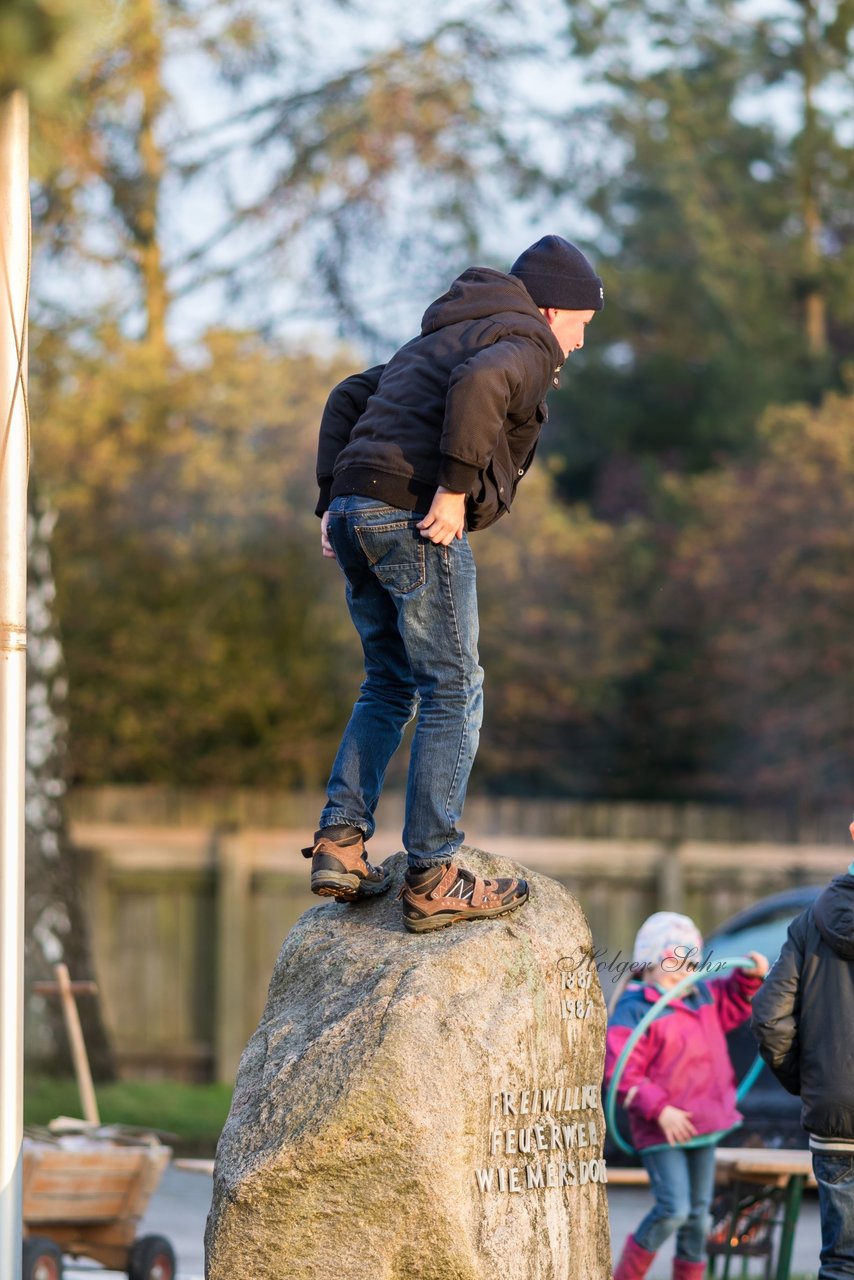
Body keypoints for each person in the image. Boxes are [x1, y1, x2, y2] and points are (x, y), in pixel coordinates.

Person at [302, 235, 604, 933]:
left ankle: (340, 843)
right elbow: (483, 386)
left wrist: (334, 501)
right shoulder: (522, 344)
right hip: (414, 512)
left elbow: (350, 394)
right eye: (582, 327)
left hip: (358, 509)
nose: (579, 345)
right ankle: (435, 872)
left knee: (388, 680)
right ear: (555, 310)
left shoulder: (439, 339)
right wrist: (452, 490)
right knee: (452, 684)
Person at [606, 911, 768, 1280]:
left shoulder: (702, 997)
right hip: (662, 1130)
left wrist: (749, 979)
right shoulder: (636, 1008)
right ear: (649, 961)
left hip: (703, 1125)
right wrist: (660, 1110)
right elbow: (620, 1070)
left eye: (691, 962)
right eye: (673, 961)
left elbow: (733, 1001)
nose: (683, 971)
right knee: (673, 1210)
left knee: (698, 1217)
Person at [751, 820, 854, 1280]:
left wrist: (809, 1080)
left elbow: (769, 1018)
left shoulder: (808, 923)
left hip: (835, 1115)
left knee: (841, 1262)